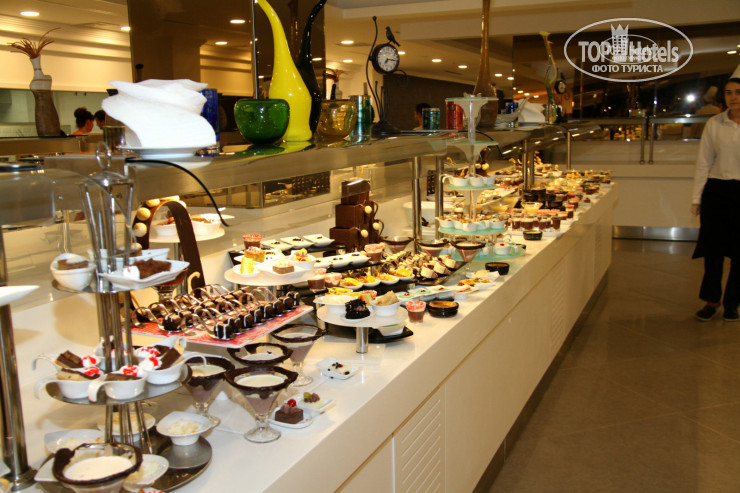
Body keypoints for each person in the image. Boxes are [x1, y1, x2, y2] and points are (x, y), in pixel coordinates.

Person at [691, 65, 740, 321]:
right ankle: (711, 301)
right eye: (729, 93)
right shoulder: (714, 123)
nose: (733, 97)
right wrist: (696, 198)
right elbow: (704, 163)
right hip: (717, 192)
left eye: (738, 92)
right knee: (713, 251)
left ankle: (733, 303)